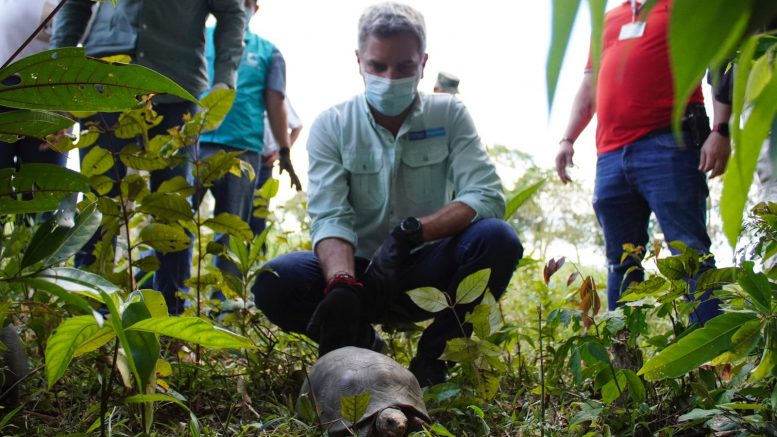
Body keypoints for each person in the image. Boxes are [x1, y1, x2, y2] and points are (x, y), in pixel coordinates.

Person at [253, 2, 523, 387]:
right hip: (361, 272)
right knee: (275, 279)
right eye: (378, 66)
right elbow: (331, 215)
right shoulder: (332, 124)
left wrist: (412, 233)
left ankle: (433, 359)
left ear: (424, 63)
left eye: (404, 67)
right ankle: (365, 346)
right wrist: (342, 282)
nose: (389, 77)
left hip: (426, 269)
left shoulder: (450, 115)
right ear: (359, 60)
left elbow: (485, 194)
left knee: (498, 239)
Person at [50, 0, 246, 314]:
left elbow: (232, 11)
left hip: (175, 87)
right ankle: (86, 311)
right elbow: (75, 4)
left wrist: (225, 78)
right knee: (97, 197)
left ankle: (169, 315)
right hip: (103, 79)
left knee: (173, 203)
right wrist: (57, 70)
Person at [554, 0, 732, 325]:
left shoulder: (685, 9)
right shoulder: (608, 20)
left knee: (690, 254)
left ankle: (717, 361)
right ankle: (626, 366)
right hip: (610, 155)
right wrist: (567, 139)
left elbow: (721, 64)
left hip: (670, 144)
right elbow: (589, 86)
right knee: (620, 262)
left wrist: (721, 130)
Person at [198, 0, 300, 298]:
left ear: (255, 7)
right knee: (173, 226)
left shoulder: (269, 51)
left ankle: (223, 308)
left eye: (247, 2)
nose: (241, 6)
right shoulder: (199, 36)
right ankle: (161, 300)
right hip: (194, 145)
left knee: (232, 235)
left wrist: (284, 151)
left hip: (243, 151)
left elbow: (276, 102)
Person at [0, 0, 67, 174]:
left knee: (43, 183)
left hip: (48, 91)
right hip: (4, 83)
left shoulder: (75, 6)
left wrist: (66, 108)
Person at [251, 97, 303, 237]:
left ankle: (257, 253)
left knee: (259, 216)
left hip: (264, 164)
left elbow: (297, 126)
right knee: (239, 212)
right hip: (244, 159)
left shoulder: (279, 98)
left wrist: (280, 154)